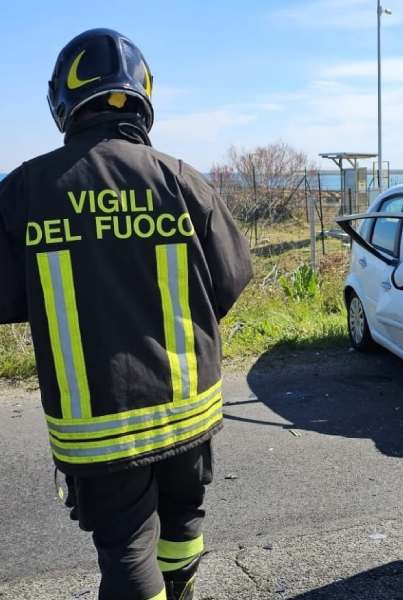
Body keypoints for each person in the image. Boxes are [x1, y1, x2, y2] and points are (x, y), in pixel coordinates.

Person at [0, 28, 252, 600]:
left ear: (63, 100)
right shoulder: (182, 179)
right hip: (190, 411)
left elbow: (8, 298)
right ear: (142, 96)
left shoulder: (25, 190)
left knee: (127, 551)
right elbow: (231, 278)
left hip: (99, 423)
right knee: (182, 524)